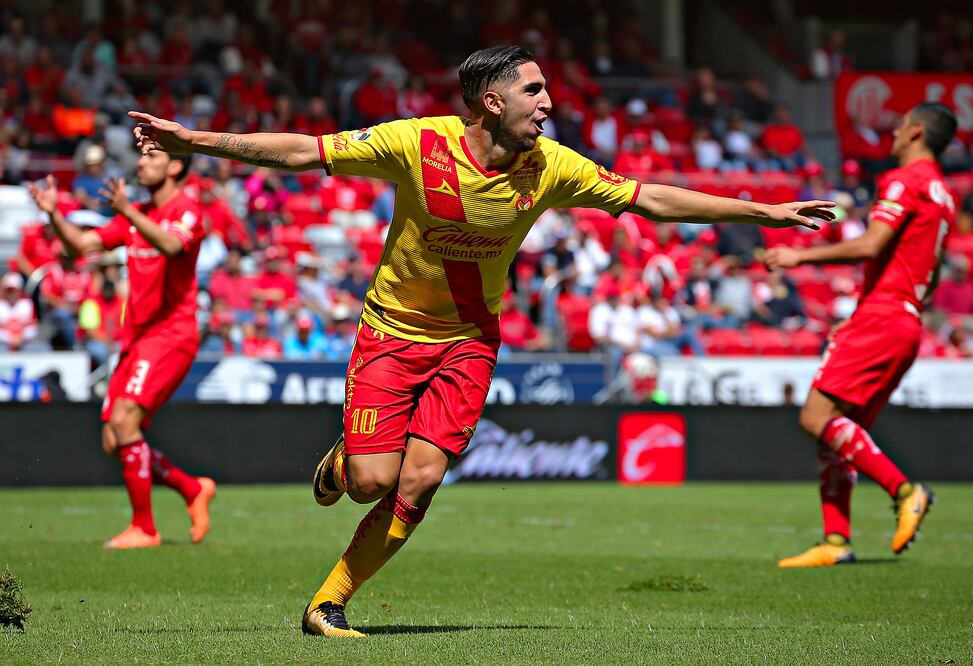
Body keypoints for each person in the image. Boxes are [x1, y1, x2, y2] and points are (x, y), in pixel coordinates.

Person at [129, 45, 833, 637]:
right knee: (371, 482)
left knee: (420, 480)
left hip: (469, 342)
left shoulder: (552, 166)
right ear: (491, 103)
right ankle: (344, 464)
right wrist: (197, 142)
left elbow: (649, 197)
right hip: (392, 332)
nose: (548, 103)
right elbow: (303, 152)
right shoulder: (416, 143)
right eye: (534, 91)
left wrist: (762, 212)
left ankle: (329, 603)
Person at [765, 103, 958, 568]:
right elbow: (928, 274)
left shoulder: (904, 180)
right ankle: (836, 541)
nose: (893, 134)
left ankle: (905, 491)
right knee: (838, 431)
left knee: (815, 418)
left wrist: (799, 257)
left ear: (916, 131)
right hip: (905, 319)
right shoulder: (944, 194)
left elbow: (872, 245)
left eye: (899, 126)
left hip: (883, 316)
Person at [27, 150, 216, 550]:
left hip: (171, 334)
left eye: (152, 155)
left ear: (175, 166)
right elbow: (80, 245)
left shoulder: (186, 210)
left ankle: (144, 528)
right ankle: (192, 488)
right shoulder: (137, 214)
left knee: (125, 421)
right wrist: (53, 214)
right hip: (136, 339)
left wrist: (128, 210)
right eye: (141, 157)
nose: (141, 163)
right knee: (114, 440)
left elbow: (171, 245)